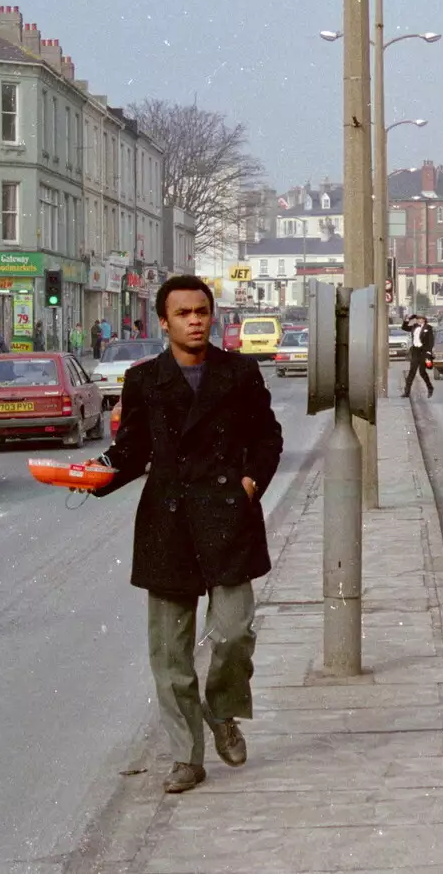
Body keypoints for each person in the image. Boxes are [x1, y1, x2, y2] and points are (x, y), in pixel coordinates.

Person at [89, 275, 283, 795]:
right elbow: (130, 451)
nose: (195, 320)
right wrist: (96, 475)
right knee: (170, 653)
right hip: (169, 523)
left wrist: (247, 485)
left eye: (202, 311)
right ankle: (186, 758)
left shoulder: (240, 372)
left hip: (227, 519)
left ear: (211, 315)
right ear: (165, 322)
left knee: (235, 630)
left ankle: (221, 712)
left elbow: (268, 438)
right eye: (183, 313)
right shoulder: (144, 380)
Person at [401, 314, 435, 397]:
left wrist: (428, 352)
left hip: (423, 351)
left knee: (422, 372)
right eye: (418, 319)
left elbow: (431, 341)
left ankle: (430, 388)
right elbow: (404, 328)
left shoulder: (428, 328)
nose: (419, 320)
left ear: (424, 319)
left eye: (421, 319)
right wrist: (408, 319)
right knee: (412, 372)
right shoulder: (414, 326)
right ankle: (407, 392)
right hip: (415, 351)